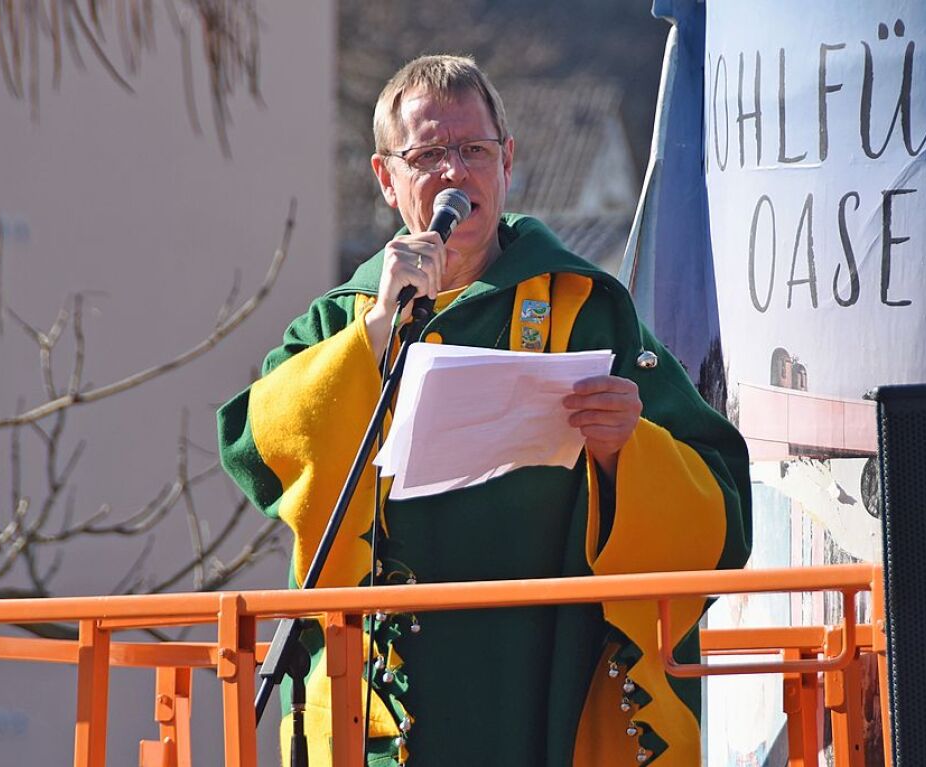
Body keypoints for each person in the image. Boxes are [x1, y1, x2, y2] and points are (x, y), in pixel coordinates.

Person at [218, 54, 751, 767]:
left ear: (508, 163)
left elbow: (724, 510)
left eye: (473, 150)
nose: (454, 174)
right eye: (429, 153)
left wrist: (632, 449)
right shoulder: (343, 320)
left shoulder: (585, 310)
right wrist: (377, 333)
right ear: (386, 178)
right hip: (382, 703)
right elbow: (255, 448)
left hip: (548, 685)